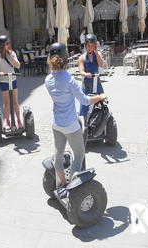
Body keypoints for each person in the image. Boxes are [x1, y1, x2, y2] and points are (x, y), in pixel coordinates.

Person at [45, 42, 106, 190]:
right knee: (79, 155)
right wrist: (100, 96)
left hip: (56, 124)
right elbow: (85, 100)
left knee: (58, 154)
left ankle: (63, 184)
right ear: (66, 59)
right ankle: (72, 187)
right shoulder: (68, 79)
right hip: (71, 125)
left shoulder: (48, 80)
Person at [0, 35, 23, 129]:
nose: (8, 45)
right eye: (6, 44)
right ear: (2, 45)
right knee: (6, 103)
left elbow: (18, 65)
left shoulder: (12, 53)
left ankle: (19, 120)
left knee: (15, 102)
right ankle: (7, 121)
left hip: (13, 79)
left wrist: (11, 57)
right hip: (3, 81)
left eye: (8, 43)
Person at [77, 34, 105, 120]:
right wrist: (86, 74)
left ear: (94, 46)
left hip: (96, 82)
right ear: (85, 46)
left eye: (92, 46)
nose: (89, 47)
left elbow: (101, 64)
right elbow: (81, 71)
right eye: (88, 46)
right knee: (86, 104)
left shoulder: (97, 54)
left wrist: (96, 51)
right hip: (87, 83)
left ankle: (99, 122)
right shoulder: (82, 57)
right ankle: (86, 123)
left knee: (100, 102)